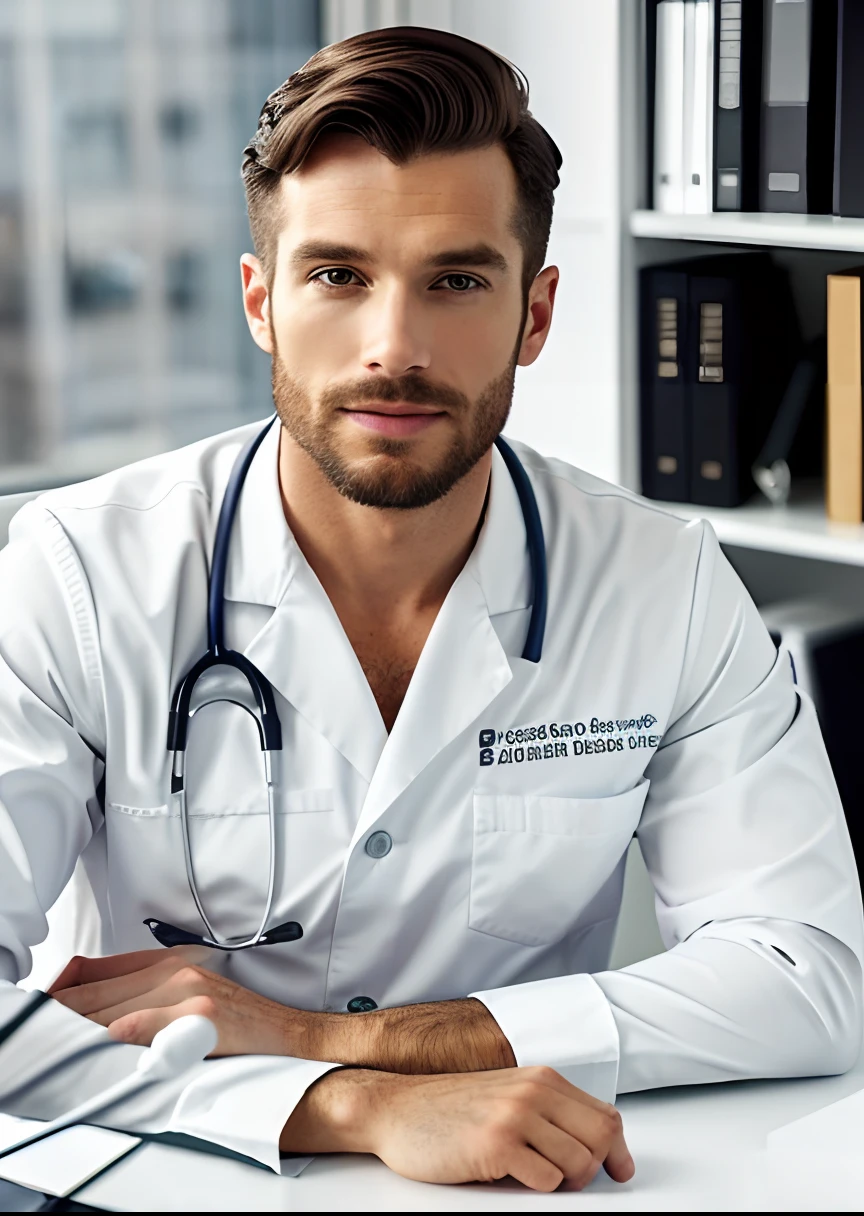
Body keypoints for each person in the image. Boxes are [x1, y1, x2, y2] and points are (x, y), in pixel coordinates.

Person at [0, 26, 860, 1195]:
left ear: (535, 314)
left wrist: (330, 1038)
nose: (392, 347)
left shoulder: (666, 582)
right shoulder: (80, 572)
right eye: (337, 275)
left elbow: (809, 980)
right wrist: (348, 1104)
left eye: (456, 279)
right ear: (260, 300)